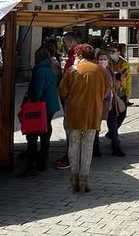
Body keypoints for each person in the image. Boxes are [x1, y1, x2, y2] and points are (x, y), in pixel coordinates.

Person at [57, 44, 111, 193]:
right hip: (93, 113)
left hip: (74, 113)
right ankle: (84, 179)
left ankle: (74, 178)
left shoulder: (72, 70)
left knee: (73, 145)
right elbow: (106, 91)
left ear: (79, 55)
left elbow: (62, 91)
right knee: (88, 146)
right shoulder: (100, 70)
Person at [19, 47, 60, 177]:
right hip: (51, 105)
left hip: (40, 106)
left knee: (32, 135)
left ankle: (32, 164)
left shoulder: (40, 71)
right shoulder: (52, 68)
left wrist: (28, 99)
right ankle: (42, 160)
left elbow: (36, 92)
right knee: (45, 131)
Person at [53, 32, 81, 170]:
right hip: (73, 97)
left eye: (65, 43)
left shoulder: (75, 57)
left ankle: (71, 157)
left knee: (71, 128)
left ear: (71, 42)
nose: (63, 46)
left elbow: (70, 77)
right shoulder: (73, 55)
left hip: (72, 98)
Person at [103, 46, 131, 156]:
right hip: (110, 93)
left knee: (122, 114)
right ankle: (114, 141)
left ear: (119, 52)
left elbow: (128, 79)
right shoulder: (107, 63)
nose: (111, 53)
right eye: (109, 51)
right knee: (113, 116)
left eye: (113, 51)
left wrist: (128, 94)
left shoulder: (124, 63)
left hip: (121, 92)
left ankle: (111, 134)